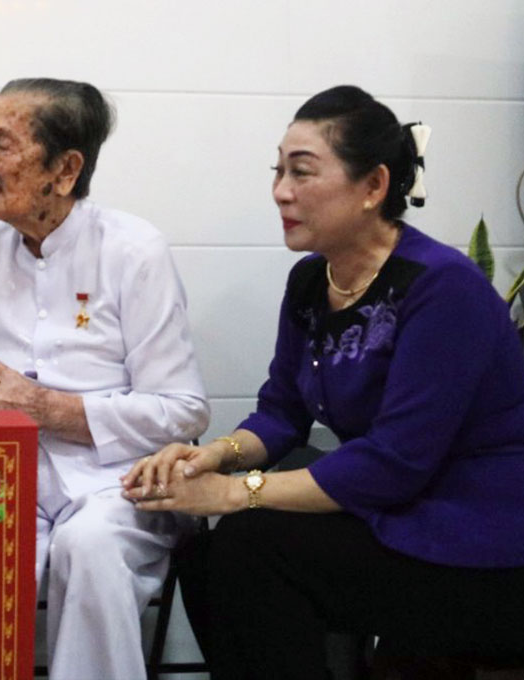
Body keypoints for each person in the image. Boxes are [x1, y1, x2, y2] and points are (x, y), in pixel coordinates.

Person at [123, 85, 524, 679]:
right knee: (208, 552)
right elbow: (282, 411)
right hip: (398, 514)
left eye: (302, 172)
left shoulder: (443, 287)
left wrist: (238, 492)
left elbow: (394, 462)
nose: (281, 190)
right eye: (278, 170)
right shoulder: (313, 281)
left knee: (251, 546)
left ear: (374, 187)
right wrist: (214, 457)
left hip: (477, 542)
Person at [0, 78, 209, 679]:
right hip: (11, 481)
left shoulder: (135, 250)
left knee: (87, 547)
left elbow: (184, 409)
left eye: (3, 147)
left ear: (65, 169)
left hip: (119, 484)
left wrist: (50, 410)